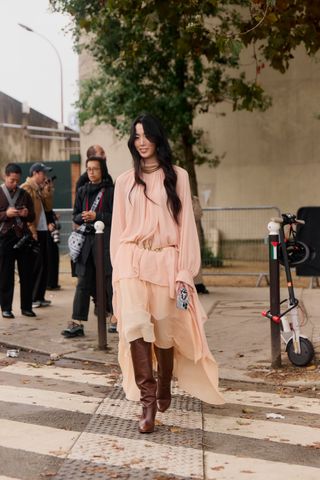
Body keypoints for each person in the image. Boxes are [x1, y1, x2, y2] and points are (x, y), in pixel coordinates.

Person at [110, 113, 225, 434]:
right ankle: (148, 404)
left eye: (146, 135)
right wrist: (117, 273)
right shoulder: (123, 181)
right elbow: (118, 231)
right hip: (132, 260)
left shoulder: (178, 176)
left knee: (163, 331)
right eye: (136, 136)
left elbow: (186, 226)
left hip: (166, 262)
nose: (141, 141)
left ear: (158, 138)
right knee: (135, 327)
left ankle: (164, 384)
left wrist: (185, 271)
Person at [62, 154, 114, 338]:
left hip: (106, 242)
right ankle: (77, 322)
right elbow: (75, 215)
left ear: (102, 170)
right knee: (83, 281)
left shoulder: (110, 190)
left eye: (95, 169)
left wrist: (97, 216)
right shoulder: (83, 190)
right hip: (86, 242)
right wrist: (83, 217)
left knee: (109, 280)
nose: (91, 172)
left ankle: (115, 318)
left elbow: (116, 217)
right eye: (89, 169)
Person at [0, 163, 36, 318]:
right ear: (5, 176)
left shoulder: (24, 194)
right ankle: (6, 308)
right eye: (11, 180)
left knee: (27, 274)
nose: (14, 183)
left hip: (23, 237)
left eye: (17, 180)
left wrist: (26, 213)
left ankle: (26, 307)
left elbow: (33, 216)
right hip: (4, 238)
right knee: (5, 274)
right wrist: (5, 214)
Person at [21, 162, 53, 308]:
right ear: (35, 173)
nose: (45, 177)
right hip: (34, 231)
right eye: (43, 173)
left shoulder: (38, 189)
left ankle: (40, 296)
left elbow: (48, 207)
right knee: (35, 265)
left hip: (43, 230)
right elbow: (26, 212)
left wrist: (47, 191)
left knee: (44, 264)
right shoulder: (27, 188)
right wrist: (31, 230)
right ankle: (33, 297)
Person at [192, 195, 209, 294]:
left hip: (193, 234)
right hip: (181, 234)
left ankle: (198, 284)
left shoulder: (194, 200)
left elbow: (198, 214)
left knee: (196, 258)